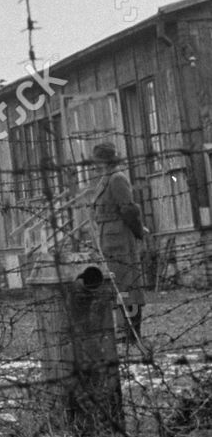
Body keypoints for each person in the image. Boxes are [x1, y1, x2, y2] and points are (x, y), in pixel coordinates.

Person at [88, 141, 147, 341]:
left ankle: (133, 332)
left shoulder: (117, 179)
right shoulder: (105, 179)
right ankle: (125, 329)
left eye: (98, 160)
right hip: (109, 239)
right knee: (118, 285)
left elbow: (128, 209)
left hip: (121, 239)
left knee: (128, 284)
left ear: (105, 160)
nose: (95, 164)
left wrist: (138, 231)